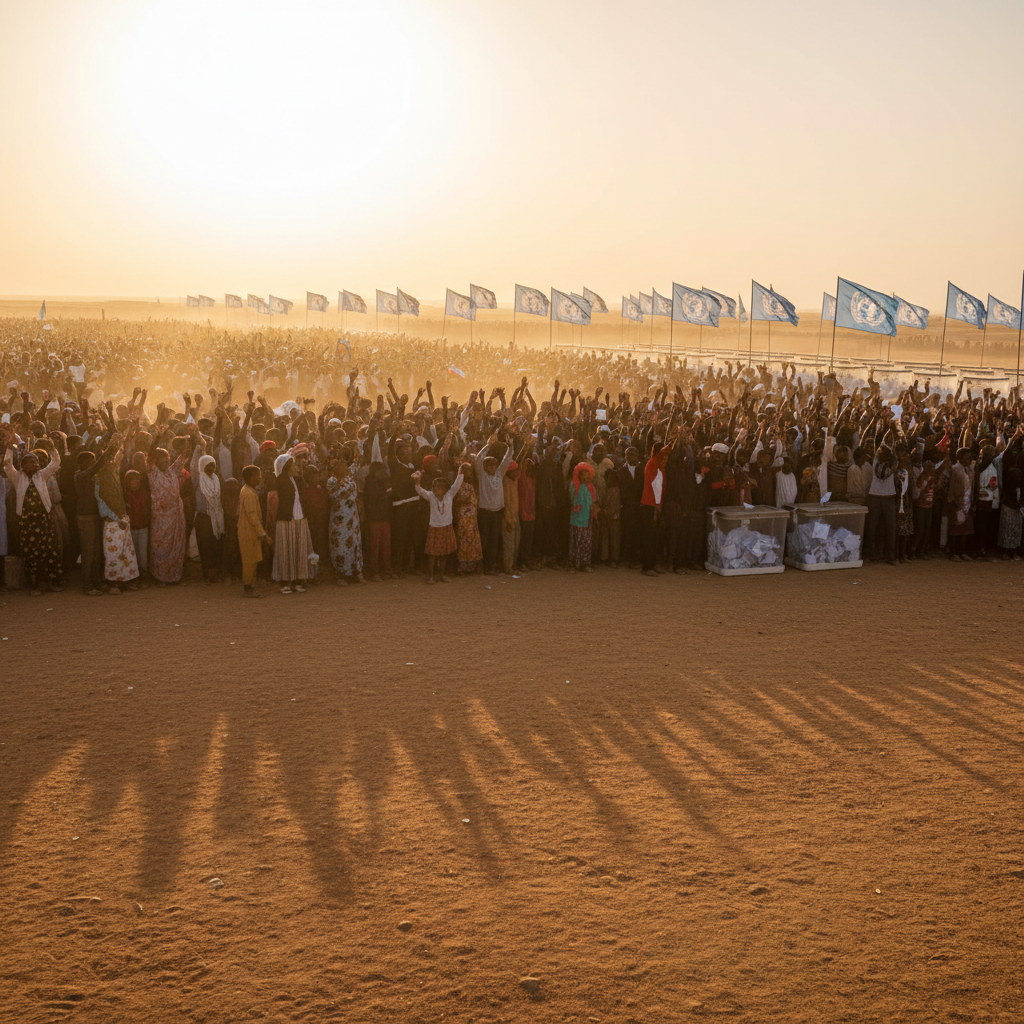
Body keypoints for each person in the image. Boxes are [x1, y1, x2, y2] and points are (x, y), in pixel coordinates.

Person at [2, 431, 63, 594]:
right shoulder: (17, 477)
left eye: (35, 462)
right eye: (30, 463)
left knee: (49, 549)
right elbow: (7, 465)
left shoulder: (42, 476)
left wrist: (52, 448)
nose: (34, 465)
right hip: (26, 520)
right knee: (31, 552)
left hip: (44, 518)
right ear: (23, 466)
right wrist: (10, 447)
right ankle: (35, 585)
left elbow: (55, 463)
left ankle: (52, 582)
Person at [269, 451, 314, 593]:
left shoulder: (299, 480)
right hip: (285, 520)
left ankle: (299, 580)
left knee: (299, 550)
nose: (296, 468)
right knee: (285, 551)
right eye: (293, 465)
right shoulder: (280, 481)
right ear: (286, 467)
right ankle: (285, 582)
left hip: (300, 519)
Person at [414, 462, 465, 583]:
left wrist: (460, 472)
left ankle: (441, 575)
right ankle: (431, 576)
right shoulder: (431, 496)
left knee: (444, 553)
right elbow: (420, 490)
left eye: (441, 488)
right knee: (433, 554)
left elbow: (457, 484)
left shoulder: (449, 495)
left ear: (445, 489)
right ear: (433, 488)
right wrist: (417, 481)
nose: (439, 489)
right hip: (435, 527)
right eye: (436, 487)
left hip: (446, 526)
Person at [326, 455, 363, 584]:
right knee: (340, 545)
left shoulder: (350, 479)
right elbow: (335, 495)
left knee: (354, 543)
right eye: (340, 465)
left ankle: (356, 572)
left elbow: (354, 494)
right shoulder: (332, 481)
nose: (344, 467)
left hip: (352, 516)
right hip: (339, 518)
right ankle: (340, 574)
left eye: (344, 465)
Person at [238, 465, 271, 597]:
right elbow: (252, 516)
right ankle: (248, 587)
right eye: (259, 476)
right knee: (250, 560)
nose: (260, 478)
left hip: (249, 530)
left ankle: (250, 584)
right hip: (249, 531)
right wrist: (262, 534)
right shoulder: (249, 493)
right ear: (252, 478)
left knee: (251, 558)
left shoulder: (248, 490)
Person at [568, 461, 597, 573]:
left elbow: (593, 502)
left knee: (586, 542)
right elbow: (571, 499)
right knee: (576, 542)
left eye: (587, 474)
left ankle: (585, 563)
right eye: (583, 474)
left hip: (587, 519)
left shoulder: (591, 487)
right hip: (576, 519)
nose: (585, 476)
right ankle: (574, 564)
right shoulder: (574, 485)